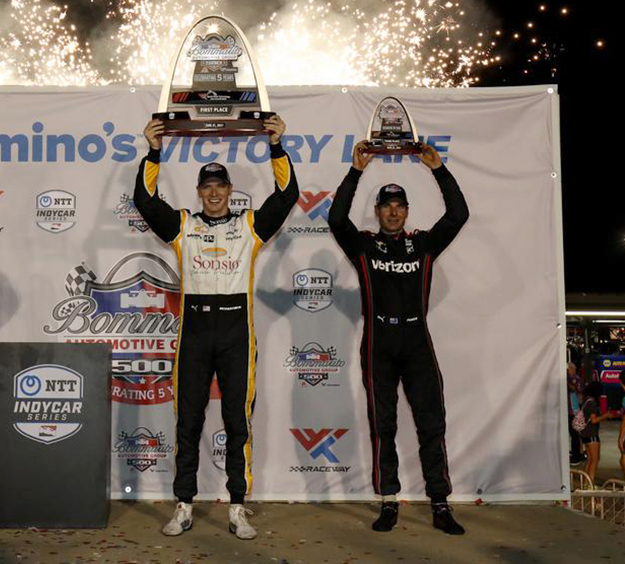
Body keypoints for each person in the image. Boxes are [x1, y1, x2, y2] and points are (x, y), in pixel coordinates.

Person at [134, 116, 298, 540]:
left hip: (235, 332)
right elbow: (145, 202)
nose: (213, 193)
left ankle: (238, 507)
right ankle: (184, 505)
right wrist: (153, 152)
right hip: (193, 333)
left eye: (219, 186)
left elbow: (287, 196)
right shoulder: (183, 225)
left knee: (237, 422)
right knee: (187, 421)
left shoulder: (249, 226)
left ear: (229, 190)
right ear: (198, 191)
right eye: (206, 187)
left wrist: (277, 147)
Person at [328, 141, 469, 535]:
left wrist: (439, 169)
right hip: (379, 344)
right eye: (386, 206)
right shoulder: (363, 245)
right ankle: (388, 500)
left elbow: (458, 215)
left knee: (431, 424)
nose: (393, 212)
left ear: (407, 211)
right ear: (377, 212)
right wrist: (355, 172)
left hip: (417, 342)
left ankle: (440, 503)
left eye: (399, 206)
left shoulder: (423, 244)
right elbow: (336, 219)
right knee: (383, 425)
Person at [580, 381, 610, 485]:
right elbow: (593, 420)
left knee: (589, 460)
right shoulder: (592, 403)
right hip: (592, 434)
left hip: (584, 434)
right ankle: (590, 483)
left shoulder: (586, 401)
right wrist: (605, 416)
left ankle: (585, 483)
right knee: (595, 460)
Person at [567, 361, 584, 464]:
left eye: (569, 370)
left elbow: (574, 389)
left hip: (574, 411)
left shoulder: (576, 379)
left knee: (575, 434)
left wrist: (567, 381)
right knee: (573, 434)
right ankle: (576, 453)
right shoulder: (568, 379)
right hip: (569, 411)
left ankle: (576, 456)